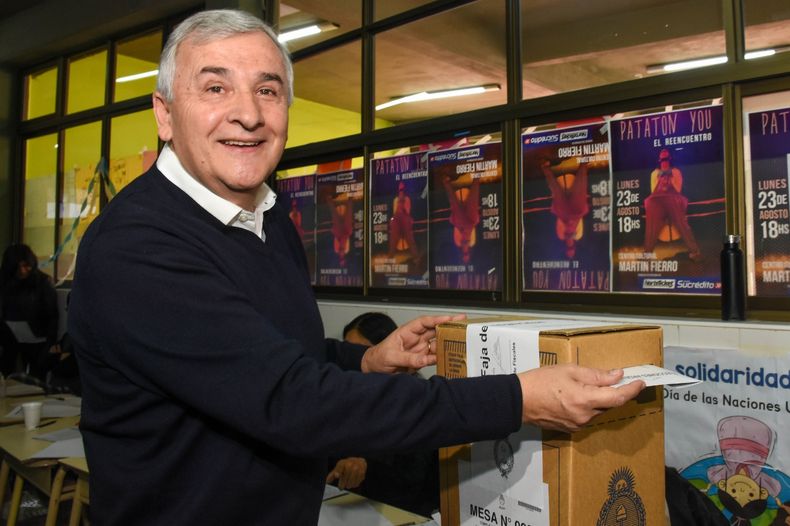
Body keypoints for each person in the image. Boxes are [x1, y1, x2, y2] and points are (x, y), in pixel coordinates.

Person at [68, 9, 645, 525]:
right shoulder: (137, 246)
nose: (247, 114)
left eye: (267, 90)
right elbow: (293, 402)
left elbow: (262, 352)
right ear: (165, 115)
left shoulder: (265, 216)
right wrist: (518, 399)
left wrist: (365, 360)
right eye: (215, 87)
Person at [328, 311, 441, 517]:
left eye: (362, 352)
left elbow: (412, 473)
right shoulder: (347, 394)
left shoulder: (415, 397)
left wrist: (366, 465)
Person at [0, 244, 60, 379]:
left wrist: (50, 343)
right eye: (17, 267)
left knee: (36, 378)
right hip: (9, 338)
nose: (22, 271)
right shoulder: (5, 281)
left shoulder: (43, 282)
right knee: (7, 375)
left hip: (37, 340)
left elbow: (52, 316)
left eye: (26, 266)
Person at [643, 149, 703, 262]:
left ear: (670, 159)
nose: (664, 162)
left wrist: (669, 176)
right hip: (658, 203)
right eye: (663, 160)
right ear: (659, 160)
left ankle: (695, 251)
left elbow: (677, 189)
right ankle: (647, 255)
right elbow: (653, 191)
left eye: (666, 159)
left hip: (673, 201)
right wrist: (659, 177)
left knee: (682, 225)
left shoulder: (676, 172)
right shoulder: (654, 173)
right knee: (651, 226)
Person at [540, 158, 590, 259]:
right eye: (571, 248)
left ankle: (545, 168)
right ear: (574, 246)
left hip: (564, 213)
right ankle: (584, 163)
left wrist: (567, 222)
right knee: (580, 193)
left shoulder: (560, 235)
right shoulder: (578, 235)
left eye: (568, 249)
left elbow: (559, 220)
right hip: (576, 211)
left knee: (556, 192)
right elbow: (580, 220)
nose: (569, 246)